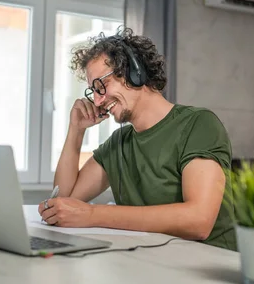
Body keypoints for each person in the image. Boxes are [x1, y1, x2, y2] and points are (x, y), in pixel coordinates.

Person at [38, 27, 237, 251]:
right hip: (154, 264)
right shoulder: (119, 143)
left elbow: (198, 221)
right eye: (93, 92)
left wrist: (93, 214)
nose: (97, 101)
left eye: (101, 86)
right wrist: (76, 131)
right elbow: (63, 203)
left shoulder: (198, 125)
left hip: (210, 268)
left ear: (135, 72)